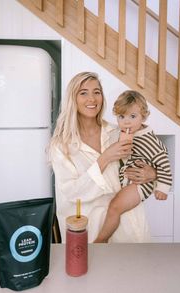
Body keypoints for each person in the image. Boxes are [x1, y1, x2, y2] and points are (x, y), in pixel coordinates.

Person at [49, 72, 156, 243]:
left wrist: (152, 173)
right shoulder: (61, 146)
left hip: (128, 225)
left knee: (137, 268)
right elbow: (72, 193)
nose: (92, 99)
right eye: (83, 92)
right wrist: (104, 158)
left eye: (96, 92)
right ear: (73, 99)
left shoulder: (119, 132)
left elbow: (148, 162)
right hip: (90, 230)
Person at [94, 90, 172, 243]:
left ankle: (101, 240)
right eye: (121, 117)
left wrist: (162, 187)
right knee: (115, 207)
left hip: (140, 185)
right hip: (130, 181)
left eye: (133, 116)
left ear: (144, 116)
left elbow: (163, 161)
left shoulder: (148, 140)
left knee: (114, 207)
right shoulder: (124, 133)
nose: (126, 122)